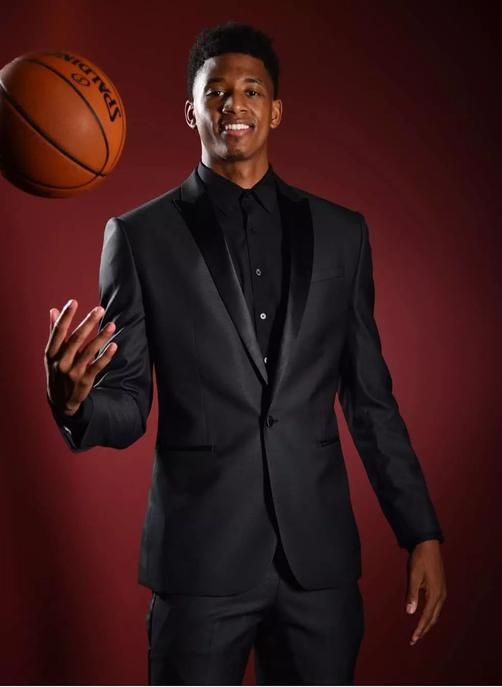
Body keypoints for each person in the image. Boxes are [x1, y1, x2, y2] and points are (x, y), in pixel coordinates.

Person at [44, 21, 447, 685]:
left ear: (275, 110)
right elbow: (129, 403)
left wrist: (420, 531)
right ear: (191, 111)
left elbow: (371, 402)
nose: (235, 103)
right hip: (199, 564)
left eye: (252, 90)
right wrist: (75, 405)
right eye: (216, 92)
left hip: (317, 567)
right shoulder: (139, 237)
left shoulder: (343, 234)